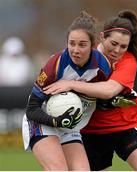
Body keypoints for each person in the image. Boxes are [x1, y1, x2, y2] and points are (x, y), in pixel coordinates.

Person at [43, 10, 137, 171]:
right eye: (114, 44)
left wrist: (70, 84)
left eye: (123, 46)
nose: (117, 50)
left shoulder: (128, 61)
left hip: (125, 128)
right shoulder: (86, 55)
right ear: (102, 37)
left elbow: (109, 90)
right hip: (90, 132)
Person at [22, 11, 113, 171]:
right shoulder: (55, 65)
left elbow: (107, 95)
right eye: (72, 43)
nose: (75, 50)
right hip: (42, 121)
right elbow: (31, 109)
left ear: (93, 46)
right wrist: (56, 121)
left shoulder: (103, 66)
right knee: (59, 169)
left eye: (82, 44)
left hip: (69, 127)